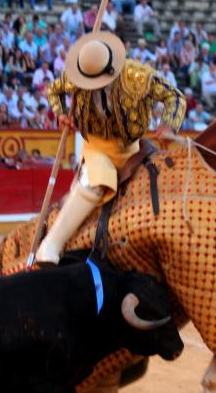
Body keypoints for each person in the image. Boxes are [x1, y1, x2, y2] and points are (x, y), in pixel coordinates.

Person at [38, 30, 185, 265]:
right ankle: (50, 244)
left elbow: (175, 97)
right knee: (97, 181)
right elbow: (53, 90)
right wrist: (61, 114)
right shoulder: (78, 77)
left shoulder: (138, 75)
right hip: (97, 146)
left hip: (133, 148)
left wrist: (168, 124)